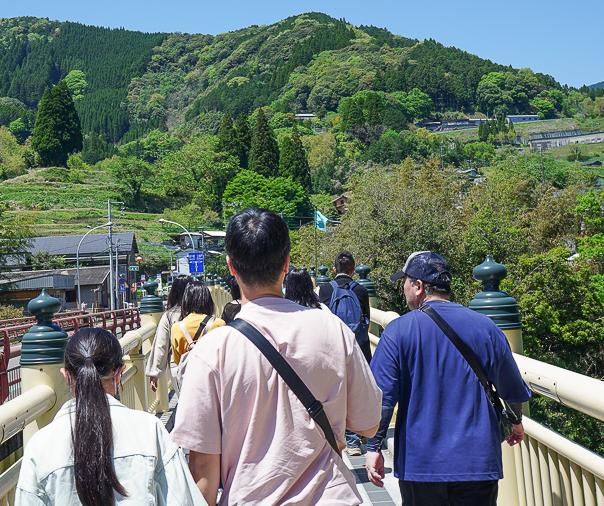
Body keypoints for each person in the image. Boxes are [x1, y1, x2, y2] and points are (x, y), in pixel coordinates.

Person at [173, 208, 383, 505]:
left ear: (231, 266)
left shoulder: (212, 351)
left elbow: (203, 469)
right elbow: (369, 424)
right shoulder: (331, 329)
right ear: (286, 263)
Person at [365, 251, 532, 506]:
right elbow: (511, 388)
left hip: (421, 464)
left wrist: (373, 448)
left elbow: (384, 399)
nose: (404, 290)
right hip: (477, 462)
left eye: (406, 283)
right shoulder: (486, 327)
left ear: (418, 286)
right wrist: (516, 421)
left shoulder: (398, 332)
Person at [15, 327, 206, 506]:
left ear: (66, 376)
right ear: (118, 374)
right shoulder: (150, 430)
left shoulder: (40, 445)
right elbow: (182, 499)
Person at [318, 251, 371, 362]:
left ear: (334, 270)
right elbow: (367, 320)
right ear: (352, 271)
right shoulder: (362, 290)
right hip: (358, 347)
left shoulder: (325, 289)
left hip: (333, 348)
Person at [145, 275, 188, 393]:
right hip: (202, 365)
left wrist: (155, 373)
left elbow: (161, 345)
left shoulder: (169, 316)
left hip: (177, 366)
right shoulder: (201, 314)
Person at [170, 280, 226, 365]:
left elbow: (178, 360)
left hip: (189, 375)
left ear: (186, 300)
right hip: (214, 375)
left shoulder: (177, 327)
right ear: (208, 300)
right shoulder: (219, 324)